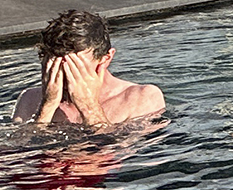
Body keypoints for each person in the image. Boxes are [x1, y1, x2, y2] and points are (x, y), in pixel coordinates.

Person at [12, 10, 165, 128]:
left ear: (105, 59)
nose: (65, 75)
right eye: (55, 65)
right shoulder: (30, 99)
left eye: (76, 66)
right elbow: (19, 156)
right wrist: (46, 107)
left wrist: (89, 108)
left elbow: (116, 156)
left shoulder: (142, 98)